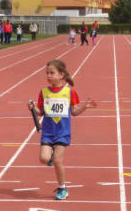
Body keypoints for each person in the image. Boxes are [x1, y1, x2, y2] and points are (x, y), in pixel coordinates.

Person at [27, 59, 97, 200]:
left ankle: (62, 188)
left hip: (62, 132)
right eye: (47, 73)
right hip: (47, 131)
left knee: (58, 161)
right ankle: (50, 156)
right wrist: (33, 108)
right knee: (43, 158)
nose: (48, 76)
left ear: (61, 74)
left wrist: (84, 106)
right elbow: (40, 111)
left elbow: (74, 112)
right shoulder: (44, 92)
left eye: (52, 73)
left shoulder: (69, 92)